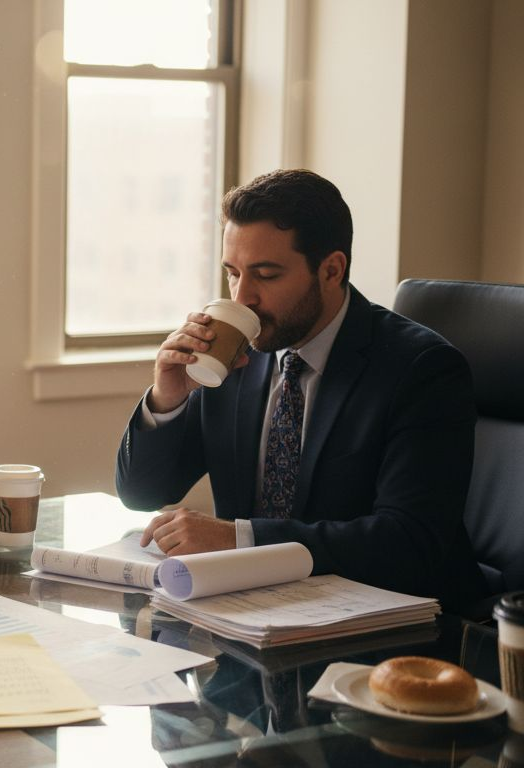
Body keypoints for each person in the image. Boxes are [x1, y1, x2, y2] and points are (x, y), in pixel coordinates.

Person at [115, 169, 485, 607]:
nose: (242, 297)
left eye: (266, 275)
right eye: (232, 273)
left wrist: (242, 538)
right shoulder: (233, 356)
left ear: (331, 270)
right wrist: (168, 397)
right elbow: (142, 493)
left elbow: (409, 543)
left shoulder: (422, 369)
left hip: (396, 629)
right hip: (258, 612)